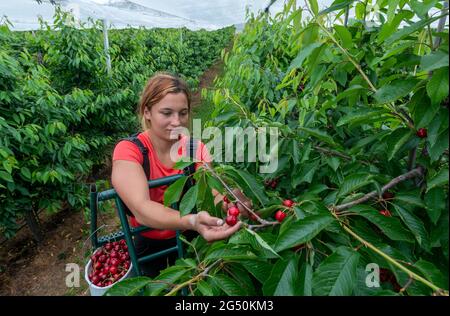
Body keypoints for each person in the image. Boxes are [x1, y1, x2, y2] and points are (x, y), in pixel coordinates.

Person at [111, 72, 252, 277]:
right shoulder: (129, 151)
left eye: (183, 113)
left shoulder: (197, 148)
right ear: (147, 112)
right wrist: (191, 220)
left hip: (190, 238)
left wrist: (229, 201)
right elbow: (141, 208)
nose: (177, 121)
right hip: (150, 241)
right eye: (166, 113)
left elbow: (211, 191)